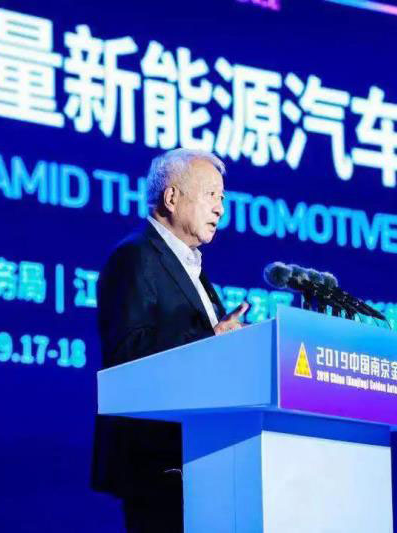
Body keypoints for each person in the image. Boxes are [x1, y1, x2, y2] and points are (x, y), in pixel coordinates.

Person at [91, 148, 248, 532]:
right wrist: (211, 338)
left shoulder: (190, 266)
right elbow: (127, 354)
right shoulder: (134, 257)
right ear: (172, 197)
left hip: (202, 456)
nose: (220, 208)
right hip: (158, 460)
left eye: (223, 198)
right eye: (211, 195)